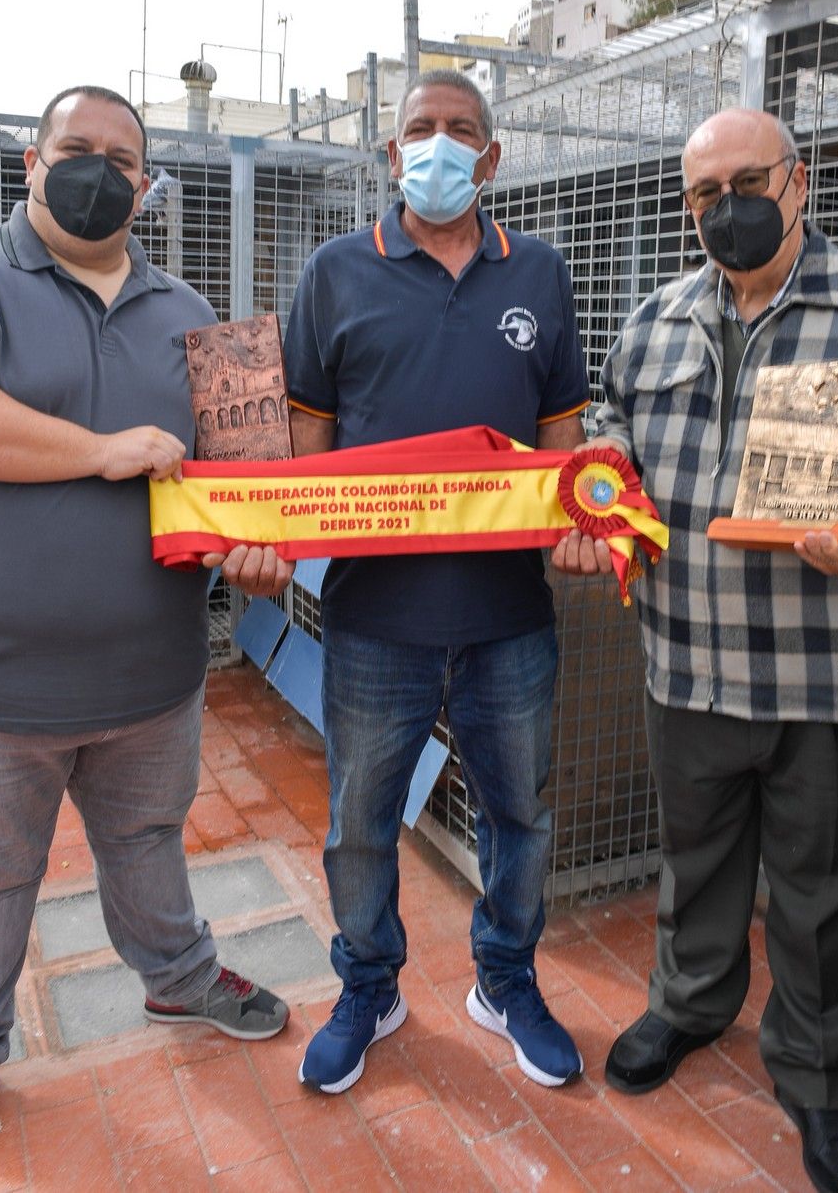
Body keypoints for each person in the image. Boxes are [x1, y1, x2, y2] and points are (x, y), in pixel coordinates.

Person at [553, 108, 838, 1193]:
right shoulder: (655, 318)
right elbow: (616, 432)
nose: (722, 206)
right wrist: (601, 502)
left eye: (744, 181)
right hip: (687, 658)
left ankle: (818, 1074)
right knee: (698, 862)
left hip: (831, 665)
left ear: (797, 182)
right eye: (700, 192)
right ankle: (687, 1007)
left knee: (822, 893)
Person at [0, 86, 292, 1179]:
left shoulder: (195, 314)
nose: (98, 170)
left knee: (148, 844)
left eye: (121, 157)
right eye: (76, 150)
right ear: (29, 162)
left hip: (154, 677)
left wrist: (259, 545)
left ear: (147, 186)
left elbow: (248, 487)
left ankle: (180, 978)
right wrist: (101, 449)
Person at [283, 69, 591, 1095]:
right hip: (376, 616)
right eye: (421, 129)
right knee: (361, 826)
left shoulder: (538, 274)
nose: (441, 145)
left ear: (492, 158)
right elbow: (304, 451)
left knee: (522, 817)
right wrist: (258, 532)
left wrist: (583, 525)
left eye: (462, 130)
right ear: (391, 154)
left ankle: (504, 978)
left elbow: (564, 447)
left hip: (511, 615)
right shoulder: (333, 271)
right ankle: (369, 984)